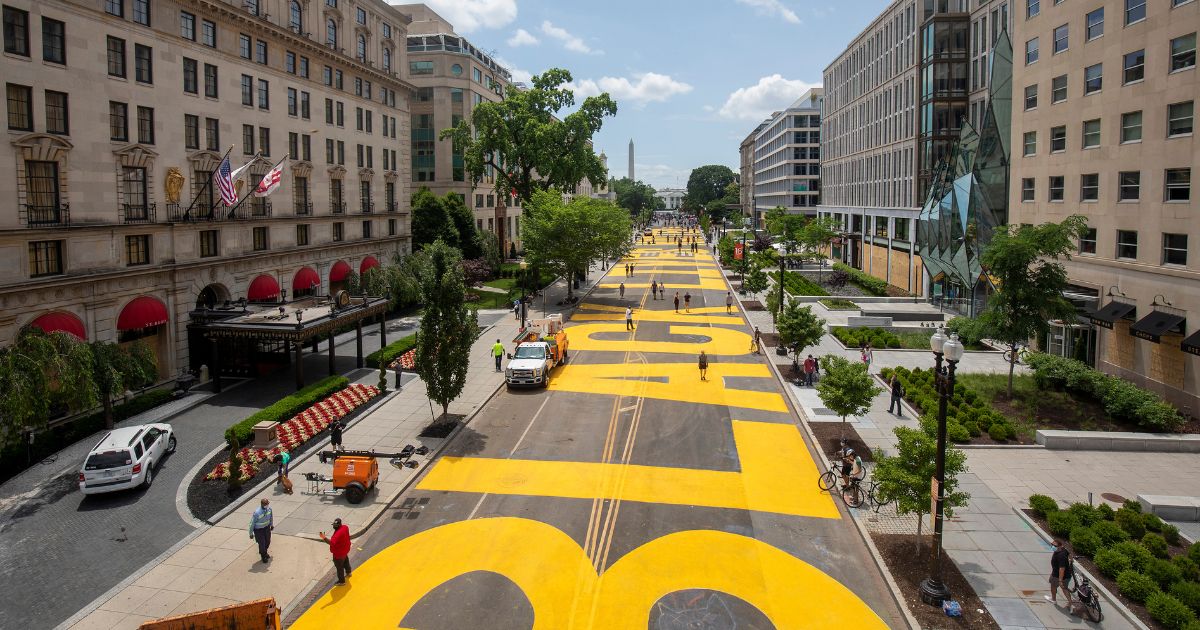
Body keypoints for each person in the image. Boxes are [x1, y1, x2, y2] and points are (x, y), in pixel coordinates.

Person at [320, 518, 352, 585]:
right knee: (346, 560)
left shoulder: (337, 534)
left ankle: (341, 581)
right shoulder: (345, 527)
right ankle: (349, 572)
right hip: (345, 549)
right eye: (334, 525)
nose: (334, 526)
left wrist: (324, 537)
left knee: (339, 567)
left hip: (338, 554)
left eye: (335, 525)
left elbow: (331, 543)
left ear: (339, 525)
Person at [1046, 539, 1074, 605]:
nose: (1052, 546)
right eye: (1052, 544)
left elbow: (1062, 569)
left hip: (1057, 576)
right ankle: (1070, 603)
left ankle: (1053, 599)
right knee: (1065, 588)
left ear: (1060, 546)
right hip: (1067, 575)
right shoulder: (1063, 550)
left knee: (1053, 586)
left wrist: (1060, 580)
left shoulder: (1061, 556)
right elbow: (1069, 554)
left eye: (1055, 546)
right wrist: (1071, 560)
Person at [249, 498, 273, 563]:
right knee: (262, 543)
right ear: (262, 504)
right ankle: (263, 556)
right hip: (259, 531)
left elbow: (271, 517)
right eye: (266, 504)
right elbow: (252, 523)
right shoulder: (257, 513)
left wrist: (271, 525)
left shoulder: (269, 509)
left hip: (267, 528)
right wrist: (251, 533)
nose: (267, 505)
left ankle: (264, 552)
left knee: (268, 541)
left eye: (268, 503)